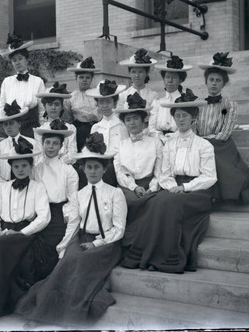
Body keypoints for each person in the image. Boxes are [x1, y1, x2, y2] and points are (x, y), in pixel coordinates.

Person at [16, 132, 127, 327]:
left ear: (104, 169)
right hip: (82, 238)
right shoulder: (80, 195)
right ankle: (41, 313)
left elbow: (119, 229)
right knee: (66, 262)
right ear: (83, 169)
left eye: (96, 167)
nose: (92, 172)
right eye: (89, 167)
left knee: (79, 262)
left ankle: (72, 316)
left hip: (106, 243)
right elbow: (74, 223)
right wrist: (63, 245)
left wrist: (96, 243)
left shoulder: (115, 193)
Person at [121, 90, 217, 273]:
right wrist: (173, 187)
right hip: (174, 188)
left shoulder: (204, 145)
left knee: (168, 202)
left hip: (198, 191)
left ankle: (168, 259)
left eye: (185, 116)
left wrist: (185, 187)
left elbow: (210, 176)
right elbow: (165, 174)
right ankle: (147, 255)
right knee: (156, 201)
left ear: (193, 118)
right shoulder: (170, 144)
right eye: (177, 116)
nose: (180, 120)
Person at [0, 137, 50, 321]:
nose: (20, 170)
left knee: (1, 248)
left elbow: (44, 217)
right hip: (3, 230)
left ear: (31, 167)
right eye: (16, 167)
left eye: (24, 166)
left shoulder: (38, 188)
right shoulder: (3, 188)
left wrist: (22, 232)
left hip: (24, 232)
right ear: (11, 168)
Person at [197, 52, 249, 204]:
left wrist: (208, 141)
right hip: (201, 142)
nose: (214, 83)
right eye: (211, 80)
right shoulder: (198, 105)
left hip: (221, 144)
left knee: (219, 159)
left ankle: (224, 195)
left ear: (223, 84)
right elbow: (194, 126)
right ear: (206, 82)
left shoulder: (229, 106)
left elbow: (225, 131)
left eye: (218, 81)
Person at [31, 120, 79, 280]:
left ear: (61, 147)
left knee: (54, 244)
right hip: (38, 212)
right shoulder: (36, 168)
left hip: (58, 214)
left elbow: (73, 200)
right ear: (42, 144)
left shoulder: (68, 171)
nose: (51, 147)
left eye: (55, 144)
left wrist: (68, 216)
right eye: (48, 143)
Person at [113, 92, 162, 241]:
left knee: (154, 204)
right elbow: (119, 172)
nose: (132, 123)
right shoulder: (120, 145)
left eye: (136, 119)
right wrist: (133, 187)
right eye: (128, 120)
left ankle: (147, 242)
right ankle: (128, 242)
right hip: (128, 186)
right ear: (124, 123)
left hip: (150, 185)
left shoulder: (155, 142)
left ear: (143, 121)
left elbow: (159, 171)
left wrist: (152, 188)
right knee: (128, 201)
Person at [0, 33, 46, 138]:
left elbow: (42, 109)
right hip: (11, 125)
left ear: (26, 59)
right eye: (14, 60)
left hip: (30, 126)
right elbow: (2, 107)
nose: (17, 62)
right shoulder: (7, 81)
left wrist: (42, 129)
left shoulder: (38, 81)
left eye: (20, 58)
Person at [85, 79, 128, 186]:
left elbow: (126, 148)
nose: (105, 106)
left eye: (108, 102)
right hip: (100, 162)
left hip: (118, 163)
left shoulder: (121, 125)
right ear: (97, 105)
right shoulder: (96, 127)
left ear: (115, 104)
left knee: (108, 169)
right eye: (101, 102)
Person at [0, 100, 41, 185]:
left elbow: (36, 168)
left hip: (28, 186)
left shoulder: (32, 143)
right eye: (5, 124)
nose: (8, 127)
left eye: (11, 123)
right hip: (6, 185)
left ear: (19, 124)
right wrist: (5, 186)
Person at [149, 54, 193, 144]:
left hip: (181, 141)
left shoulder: (185, 101)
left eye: (174, 77)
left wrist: (172, 138)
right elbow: (151, 128)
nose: (170, 81)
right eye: (167, 77)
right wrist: (161, 139)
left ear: (180, 80)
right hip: (159, 143)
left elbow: (189, 126)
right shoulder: (157, 102)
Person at [63, 57, 102, 152]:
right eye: (81, 77)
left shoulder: (98, 95)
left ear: (92, 79)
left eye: (87, 77)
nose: (84, 80)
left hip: (96, 130)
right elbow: (68, 119)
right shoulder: (70, 98)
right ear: (76, 78)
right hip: (79, 132)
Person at [34, 82, 77, 164]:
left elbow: (73, 153)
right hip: (45, 167)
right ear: (45, 106)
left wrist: (57, 163)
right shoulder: (40, 130)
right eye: (50, 104)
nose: (53, 108)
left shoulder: (70, 128)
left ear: (61, 107)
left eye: (56, 104)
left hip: (65, 167)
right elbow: (39, 155)